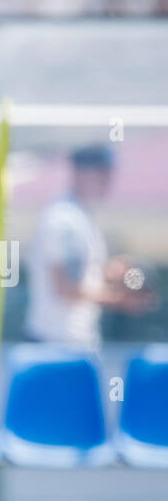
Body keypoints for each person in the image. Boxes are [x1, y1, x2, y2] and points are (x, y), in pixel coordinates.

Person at [25, 144, 155, 350]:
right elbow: (64, 287)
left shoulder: (79, 216)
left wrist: (113, 272)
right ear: (80, 172)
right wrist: (121, 300)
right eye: (102, 173)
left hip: (73, 344)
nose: (108, 181)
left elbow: (79, 277)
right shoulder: (64, 219)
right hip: (56, 345)